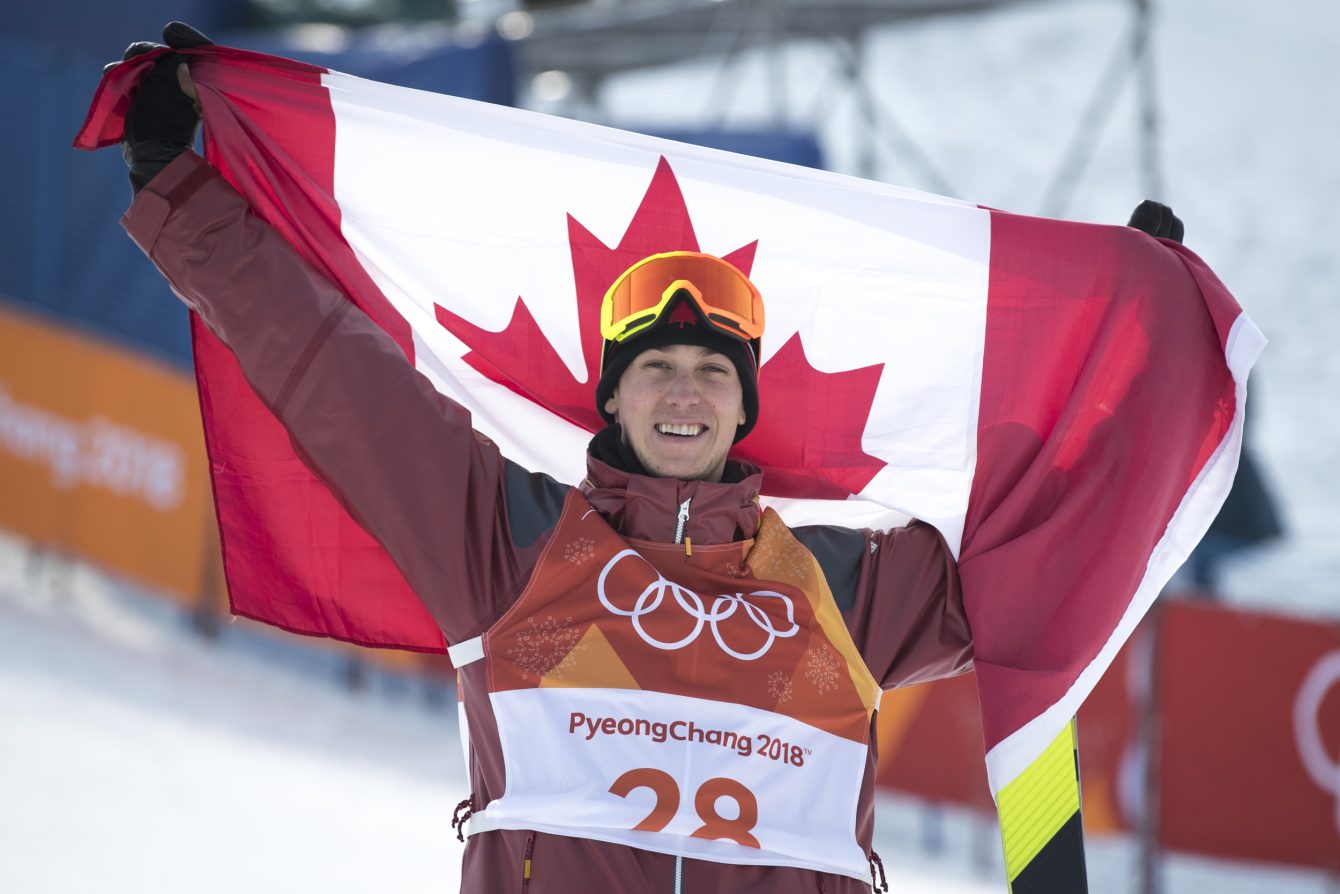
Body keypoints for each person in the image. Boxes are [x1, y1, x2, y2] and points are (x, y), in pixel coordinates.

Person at [107, 24, 1182, 893]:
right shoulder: (507, 547)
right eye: (655, 368)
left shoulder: (848, 594)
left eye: (712, 373)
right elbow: (336, 377)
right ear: (612, 396)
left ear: (742, 409)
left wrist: (1127, 362)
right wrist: (178, 191)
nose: (682, 392)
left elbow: (1046, 556)